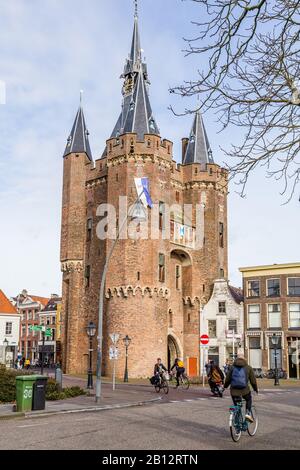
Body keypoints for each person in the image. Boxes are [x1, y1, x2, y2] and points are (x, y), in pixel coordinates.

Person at [224, 354, 258, 423]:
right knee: (249, 399)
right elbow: (253, 381)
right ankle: (248, 413)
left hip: (234, 391)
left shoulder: (232, 368)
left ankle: (237, 420)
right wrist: (255, 389)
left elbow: (227, 379)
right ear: (244, 359)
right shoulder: (248, 367)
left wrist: (225, 386)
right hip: (245, 391)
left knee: (237, 405)